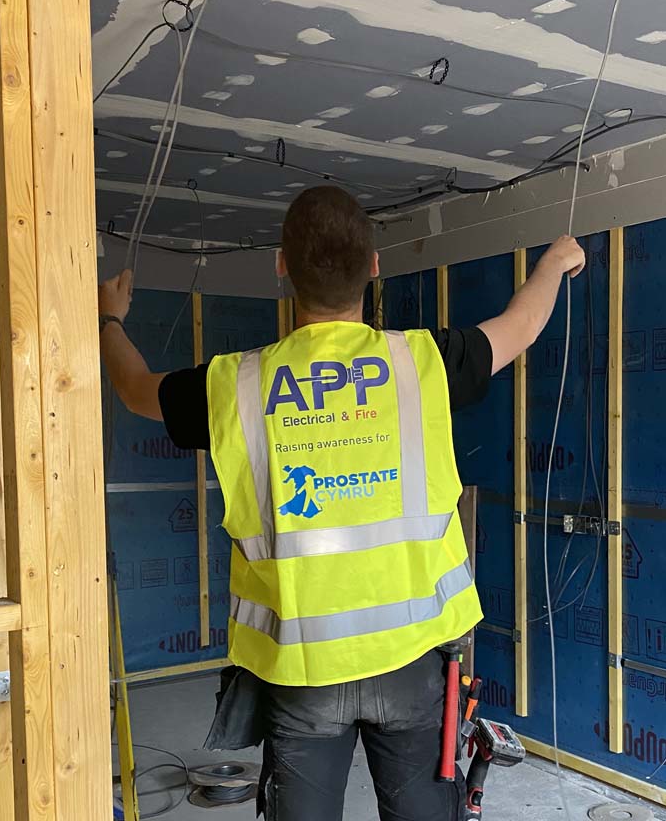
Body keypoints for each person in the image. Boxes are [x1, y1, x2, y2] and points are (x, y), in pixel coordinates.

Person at [98, 185, 584, 821]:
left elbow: (136, 389)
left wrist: (108, 317)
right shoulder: (422, 363)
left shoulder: (235, 384)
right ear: (375, 266)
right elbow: (518, 327)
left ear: (281, 266)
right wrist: (553, 263)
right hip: (414, 663)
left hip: (302, 670)